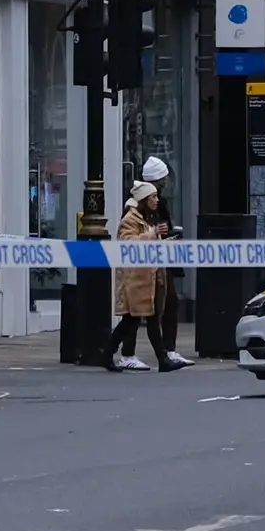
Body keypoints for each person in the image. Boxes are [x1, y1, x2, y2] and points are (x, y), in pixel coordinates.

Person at [110, 157, 188, 371]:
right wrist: (154, 234)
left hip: (153, 269)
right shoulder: (134, 214)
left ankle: (164, 356)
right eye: (153, 196)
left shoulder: (153, 208)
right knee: (133, 317)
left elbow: (153, 234)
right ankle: (123, 353)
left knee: (156, 311)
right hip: (139, 273)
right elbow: (130, 240)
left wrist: (164, 239)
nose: (157, 198)